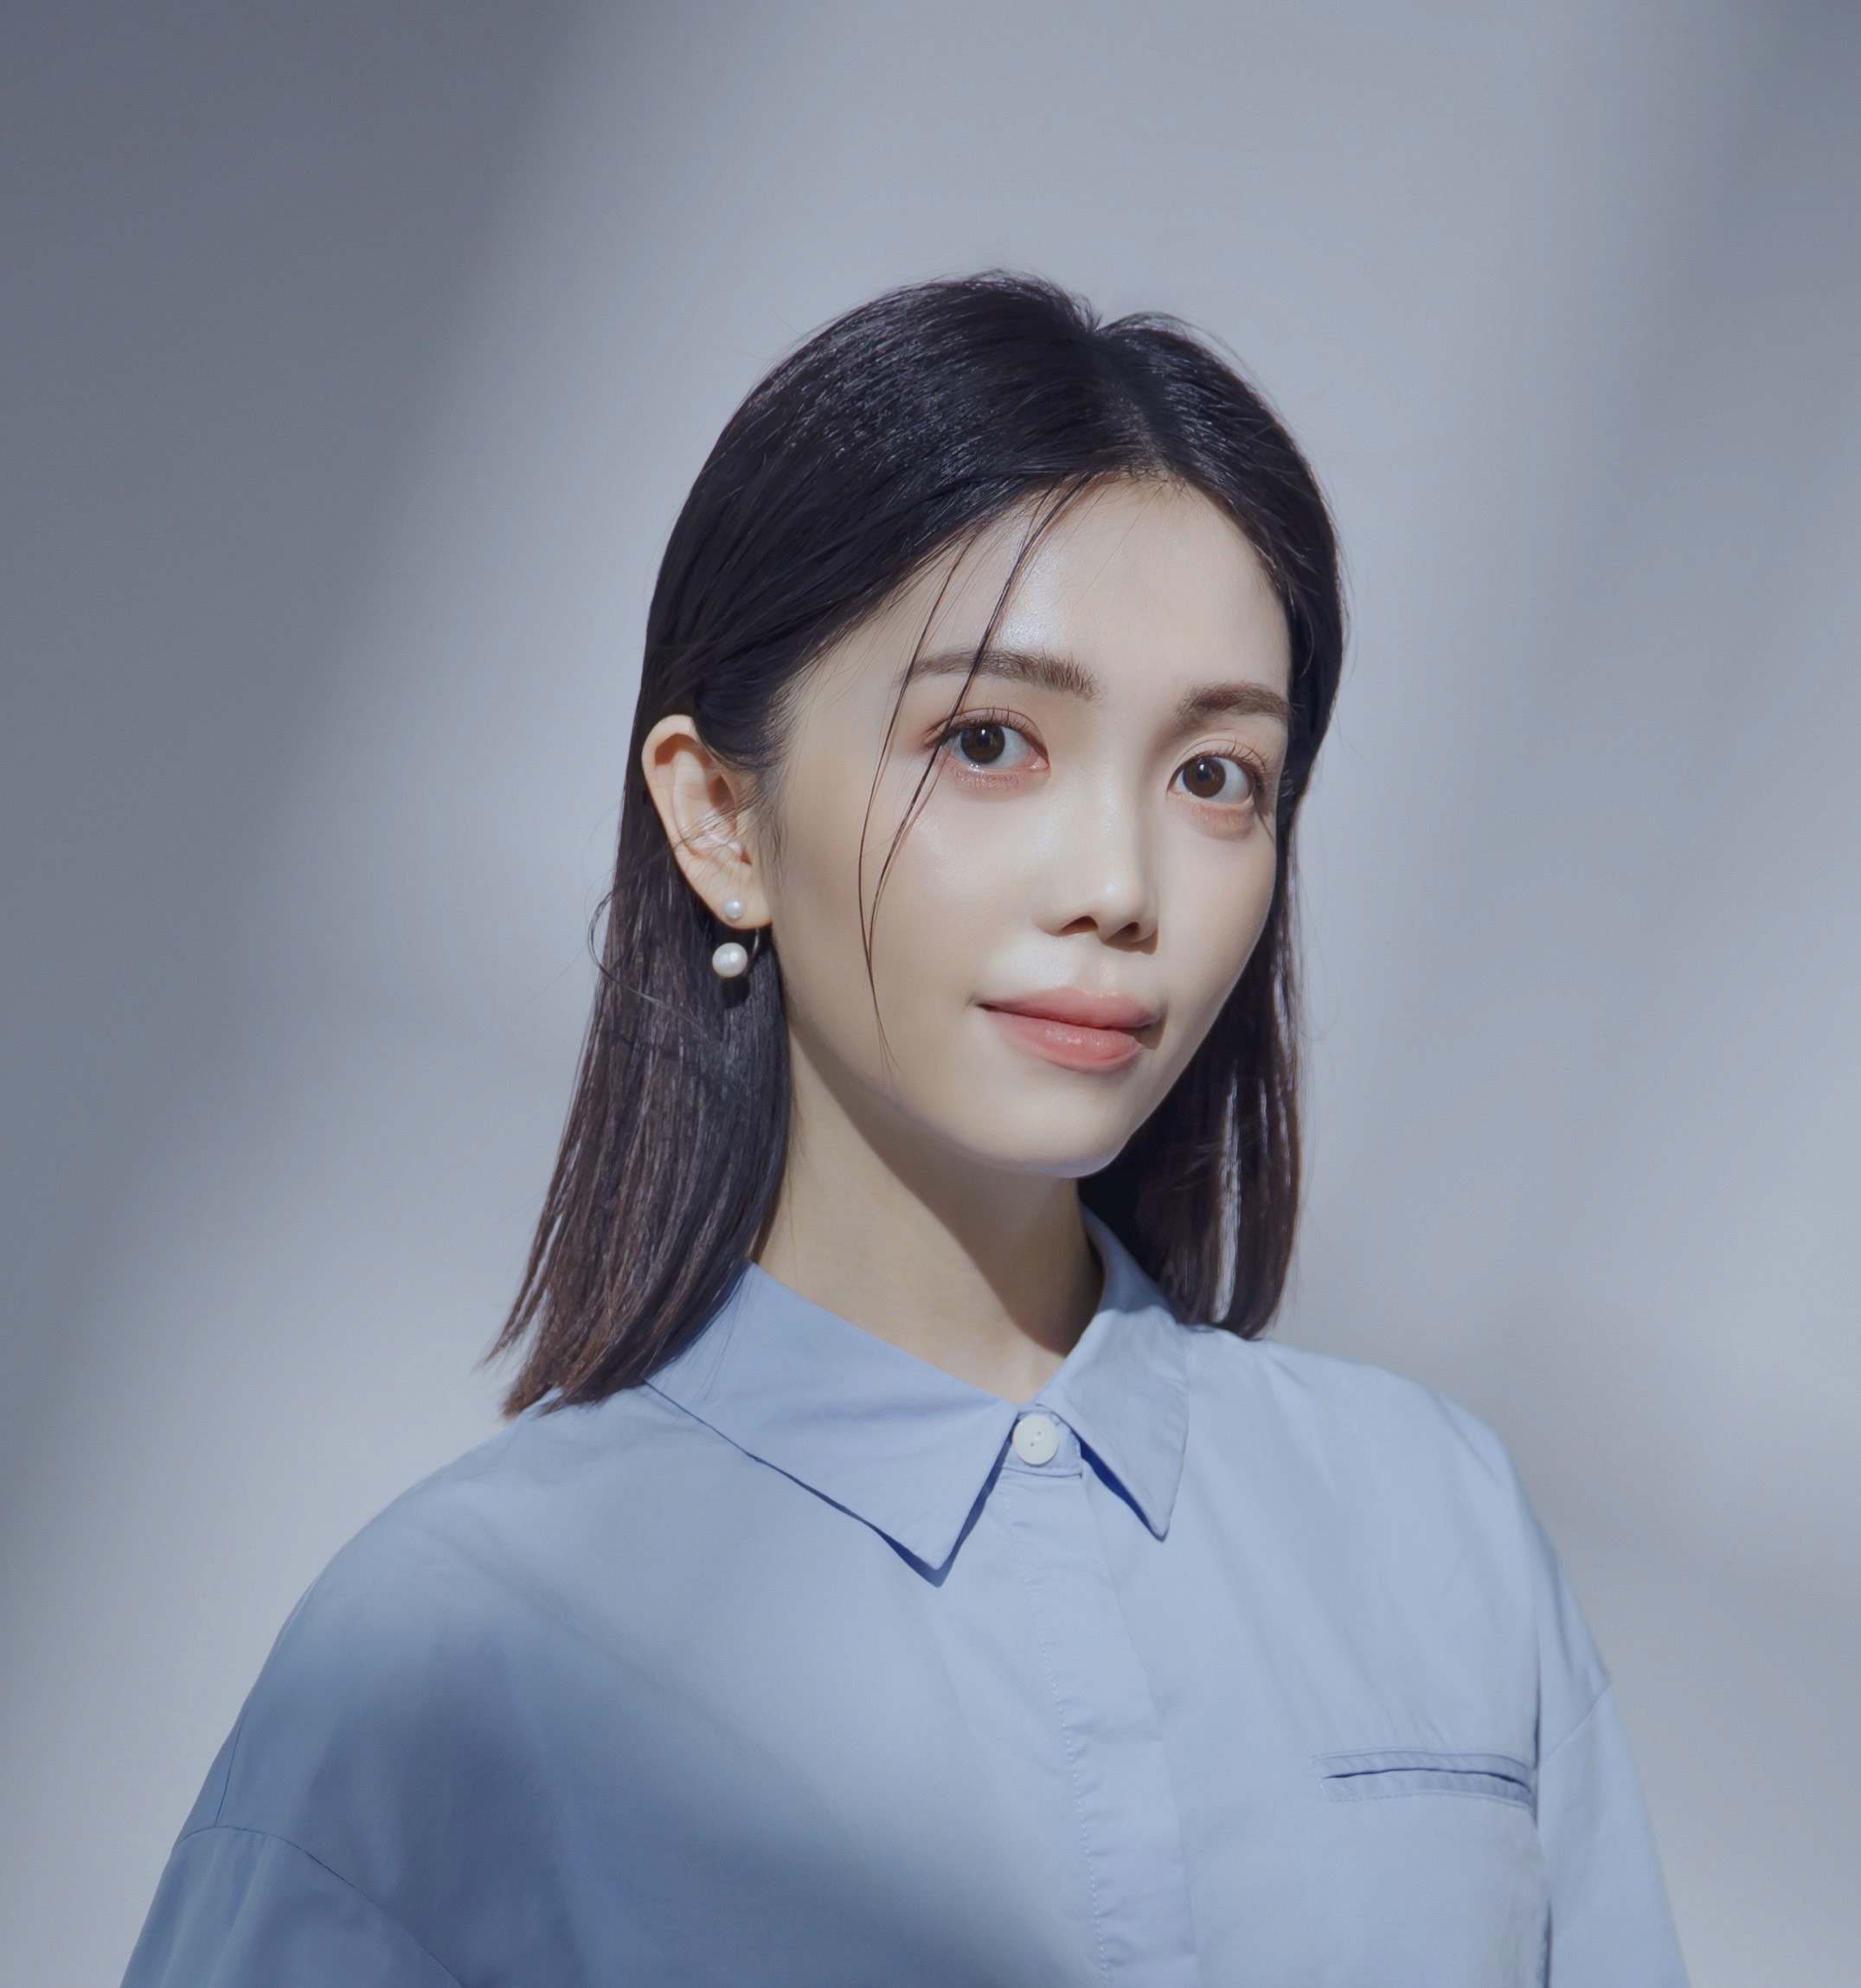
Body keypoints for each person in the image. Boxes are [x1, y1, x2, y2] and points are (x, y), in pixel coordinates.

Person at [123, 274, 1688, 1986]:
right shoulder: (452, 1656)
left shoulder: (1434, 1530)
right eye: (989, 741)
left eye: (1213, 776)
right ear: (719, 818)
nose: (1118, 887)